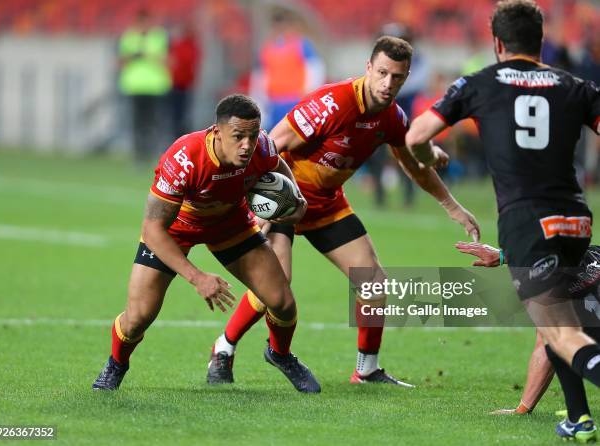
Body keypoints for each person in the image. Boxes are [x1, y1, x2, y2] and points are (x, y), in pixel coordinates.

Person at [206, 36, 480, 387]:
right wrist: (259, 202)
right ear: (368, 68)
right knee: (274, 286)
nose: (388, 83)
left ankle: (366, 370)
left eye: (397, 77)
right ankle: (224, 348)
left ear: (407, 76)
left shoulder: (392, 117)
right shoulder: (332, 103)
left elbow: (413, 164)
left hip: (327, 204)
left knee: (373, 283)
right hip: (286, 202)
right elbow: (271, 144)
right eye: (382, 73)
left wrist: (451, 206)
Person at [405, 0, 600, 441]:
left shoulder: (480, 83)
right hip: (575, 220)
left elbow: (415, 135)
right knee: (557, 324)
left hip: (526, 218)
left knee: (563, 334)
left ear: (497, 43)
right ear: (541, 41)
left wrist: (429, 156)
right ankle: (578, 419)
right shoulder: (575, 85)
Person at [92, 94, 321, 394]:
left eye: (252, 136)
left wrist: (296, 199)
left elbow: (276, 165)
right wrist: (197, 277)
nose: (246, 145)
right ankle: (116, 363)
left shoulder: (260, 147)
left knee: (282, 302)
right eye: (238, 136)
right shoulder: (184, 158)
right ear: (217, 132)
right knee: (137, 318)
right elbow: (152, 228)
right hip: (176, 228)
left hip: (230, 223)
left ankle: (279, 354)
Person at [456, 242, 600, 424]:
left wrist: (523, 409)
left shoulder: (553, 287)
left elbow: (545, 349)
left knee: (557, 342)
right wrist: (502, 257)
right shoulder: (593, 253)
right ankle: (578, 413)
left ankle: (578, 416)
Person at [249, 9, 325, 129]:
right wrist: (259, 100)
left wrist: (309, 92)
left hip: (296, 101)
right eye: (276, 26)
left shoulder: (302, 45)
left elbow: (315, 68)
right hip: (274, 103)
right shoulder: (266, 49)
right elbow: (260, 76)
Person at [118, 9, 172, 164]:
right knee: (137, 124)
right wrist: (133, 56)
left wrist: (148, 55)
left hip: (155, 87)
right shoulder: (129, 37)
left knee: (154, 124)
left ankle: (155, 155)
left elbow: (168, 60)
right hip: (135, 87)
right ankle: (139, 157)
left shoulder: (160, 36)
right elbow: (121, 61)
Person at [168, 20, 202, 139]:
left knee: (181, 113)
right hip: (177, 83)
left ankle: (180, 136)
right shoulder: (183, 45)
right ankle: (176, 135)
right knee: (177, 113)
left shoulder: (189, 46)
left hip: (184, 84)